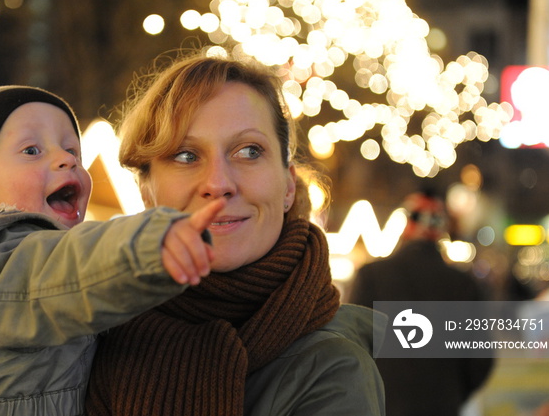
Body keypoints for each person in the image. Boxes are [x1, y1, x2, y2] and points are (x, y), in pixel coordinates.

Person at [0, 86, 225, 415]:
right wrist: (147, 244)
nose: (66, 160)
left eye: (71, 150)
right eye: (31, 150)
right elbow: (65, 270)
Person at [85, 52, 386, 415]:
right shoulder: (87, 338)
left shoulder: (334, 367)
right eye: (185, 155)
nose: (218, 183)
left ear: (288, 185)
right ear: (146, 192)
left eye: (248, 151)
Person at [348, 190, 494, 416]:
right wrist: (453, 392)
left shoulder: (372, 277)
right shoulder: (463, 285)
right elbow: (480, 359)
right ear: (441, 229)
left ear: (407, 224)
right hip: (442, 406)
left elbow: (352, 348)